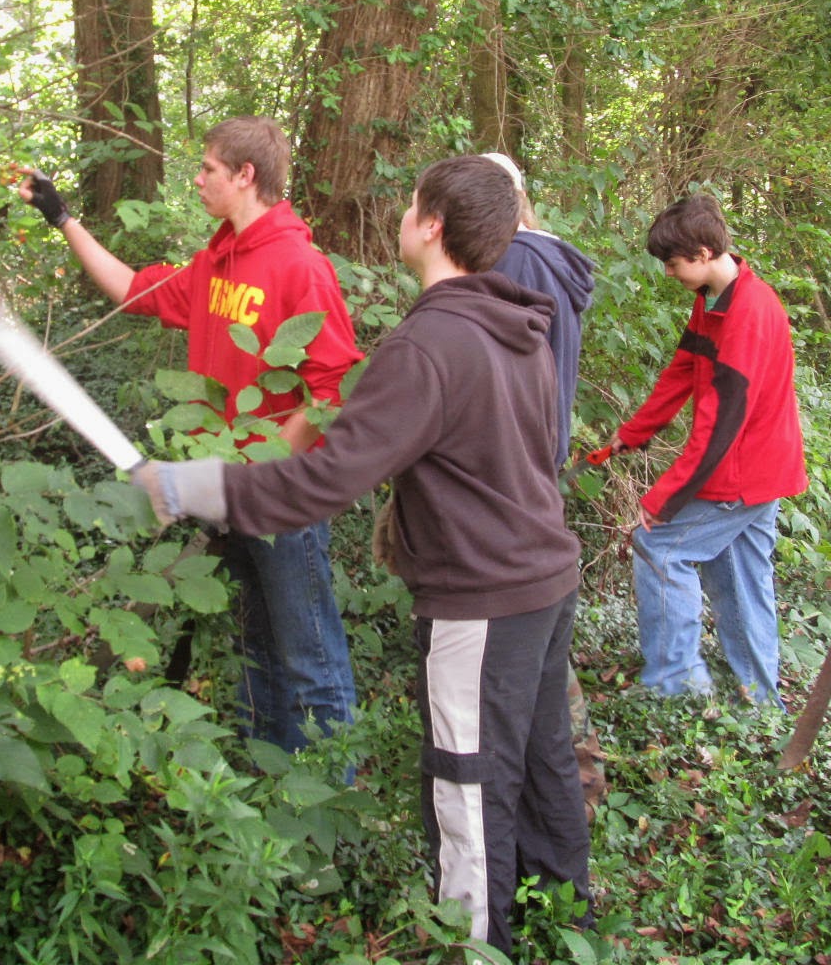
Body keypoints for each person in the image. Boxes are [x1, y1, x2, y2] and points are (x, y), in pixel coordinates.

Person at [135, 155, 592, 955]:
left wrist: (195, 487)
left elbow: (321, 482)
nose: (402, 215)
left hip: (481, 600)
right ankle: (566, 921)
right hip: (545, 582)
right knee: (543, 759)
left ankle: (474, 947)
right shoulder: (519, 321)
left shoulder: (429, 345)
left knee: (468, 784)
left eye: (411, 204)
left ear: (432, 226)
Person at [19, 116, 360, 754]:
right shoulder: (216, 263)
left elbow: (331, 389)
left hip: (281, 498)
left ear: (245, 176)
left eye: (207, 169)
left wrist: (262, 473)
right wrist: (63, 218)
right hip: (224, 492)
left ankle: (331, 813)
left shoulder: (300, 267)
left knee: (311, 661)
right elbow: (130, 288)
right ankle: (271, 785)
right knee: (256, 649)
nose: (197, 179)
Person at [608, 193, 806, 705]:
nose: (669, 273)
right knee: (739, 578)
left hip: (744, 471)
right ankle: (761, 699)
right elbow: (681, 372)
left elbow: (718, 430)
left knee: (658, 547)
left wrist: (664, 499)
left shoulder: (748, 315)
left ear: (700, 253)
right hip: (758, 468)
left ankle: (675, 688)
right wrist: (634, 431)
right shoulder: (713, 300)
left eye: (673, 264)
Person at [483, 153, 606, 808]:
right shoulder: (543, 257)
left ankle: (570, 785)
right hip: (534, 469)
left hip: (518, 476)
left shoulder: (520, 263)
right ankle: (569, 784)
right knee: (540, 637)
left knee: (529, 645)